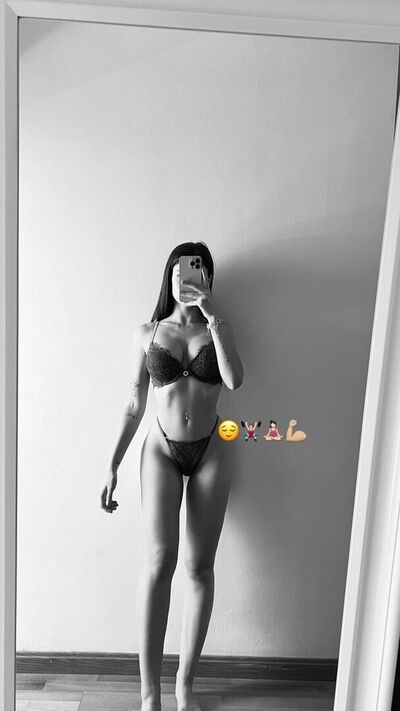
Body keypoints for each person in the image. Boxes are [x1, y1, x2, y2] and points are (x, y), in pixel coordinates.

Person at [100, 242, 244, 711]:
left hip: (211, 450)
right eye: (181, 270)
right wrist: (112, 463)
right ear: (169, 275)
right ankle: (150, 695)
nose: (188, 277)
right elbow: (134, 403)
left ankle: (185, 687)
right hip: (160, 450)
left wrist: (212, 316)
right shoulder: (147, 333)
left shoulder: (220, 328)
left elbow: (234, 380)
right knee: (160, 562)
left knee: (199, 568)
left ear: (208, 278)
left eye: (198, 271)